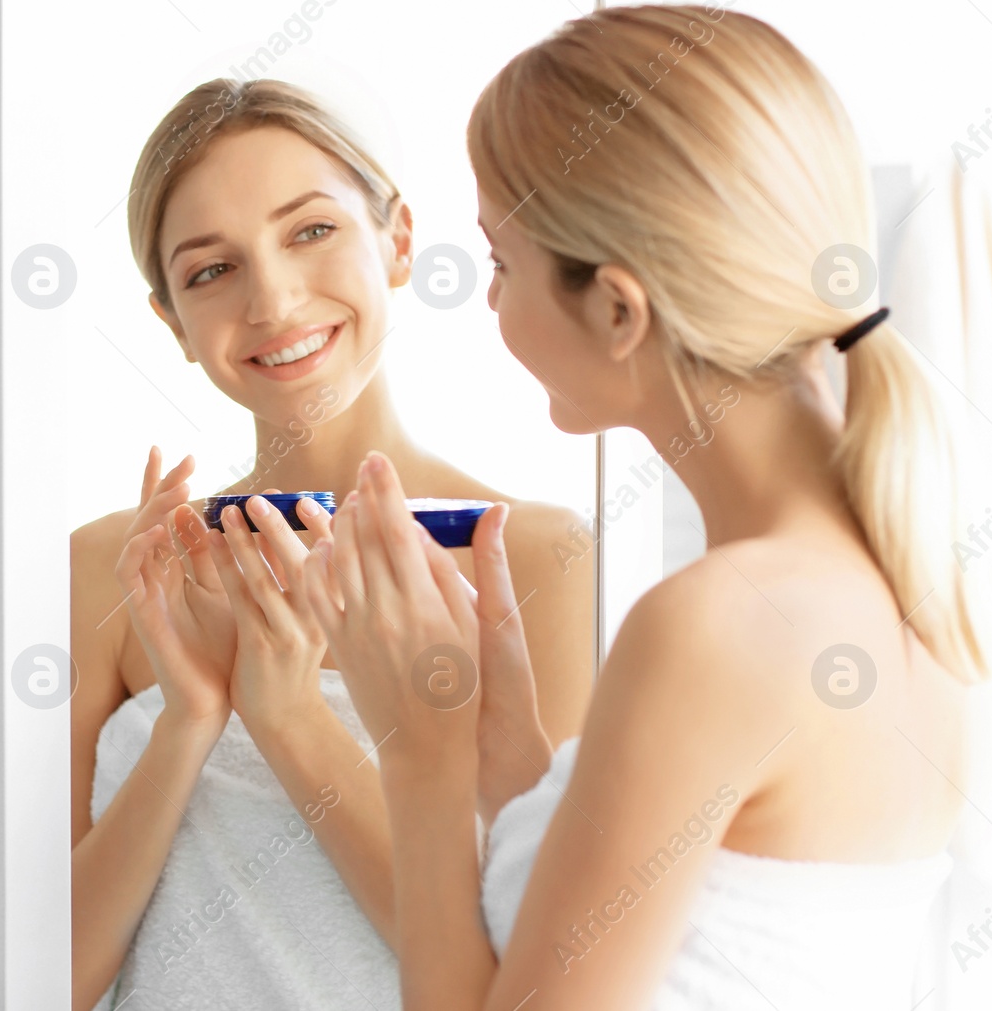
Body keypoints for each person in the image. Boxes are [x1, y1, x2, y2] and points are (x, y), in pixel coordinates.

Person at [302, 5, 992, 1010]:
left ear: (617, 309)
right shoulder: (899, 582)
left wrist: (415, 756)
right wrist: (516, 772)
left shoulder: (721, 624)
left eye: (501, 264)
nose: (489, 301)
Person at [69, 79, 597, 1010]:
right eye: (209, 270)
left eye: (310, 231)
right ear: (173, 324)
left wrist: (286, 719)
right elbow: (46, 978)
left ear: (397, 241)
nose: (271, 298)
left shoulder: (538, 557)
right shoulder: (115, 569)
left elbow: (524, 971)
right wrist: (189, 720)